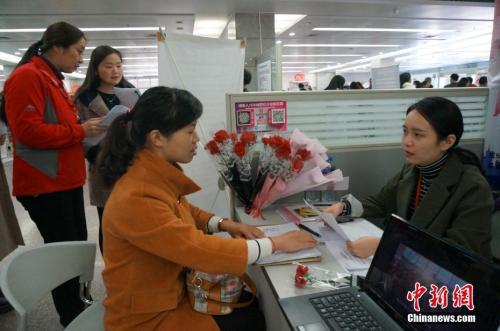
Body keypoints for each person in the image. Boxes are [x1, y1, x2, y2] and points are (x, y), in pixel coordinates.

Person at [98, 86, 318, 331]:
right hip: (148, 318)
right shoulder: (137, 196)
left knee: (250, 306)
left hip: (170, 295)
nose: (197, 139)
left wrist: (223, 224)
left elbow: (182, 209)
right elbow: (197, 249)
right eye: (190, 131)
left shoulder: (148, 174)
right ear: (157, 138)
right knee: (250, 320)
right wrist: (276, 244)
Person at [1, 21, 107, 327]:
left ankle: (78, 308)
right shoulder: (27, 77)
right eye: (78, 51)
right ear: (57, 47)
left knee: (74, 251)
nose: (80, 58)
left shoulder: (52, 79)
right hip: (45, 184)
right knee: (63, 256)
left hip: (65, 180)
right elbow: (28, 132)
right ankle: (71, 317)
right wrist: (79, 130)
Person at [325, 97, 493, 260]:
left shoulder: (473, 187)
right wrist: (343, 207)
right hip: (407, 266)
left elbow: (458, 252)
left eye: (417, 135)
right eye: (405, 131)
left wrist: (386, 244)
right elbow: (380, 202)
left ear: (447, 142)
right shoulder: (413, 169)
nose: (406, 141)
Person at [74, 45, 135, 255]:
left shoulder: (130, 93)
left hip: (131, 165)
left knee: (134, 219)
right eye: (108, 66)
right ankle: (113, 269)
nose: (115, 71)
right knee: (108, 222)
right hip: (102, 166)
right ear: (96, 69)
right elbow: (76, 133)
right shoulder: (83, 98)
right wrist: (93, 154)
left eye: (118, 65)